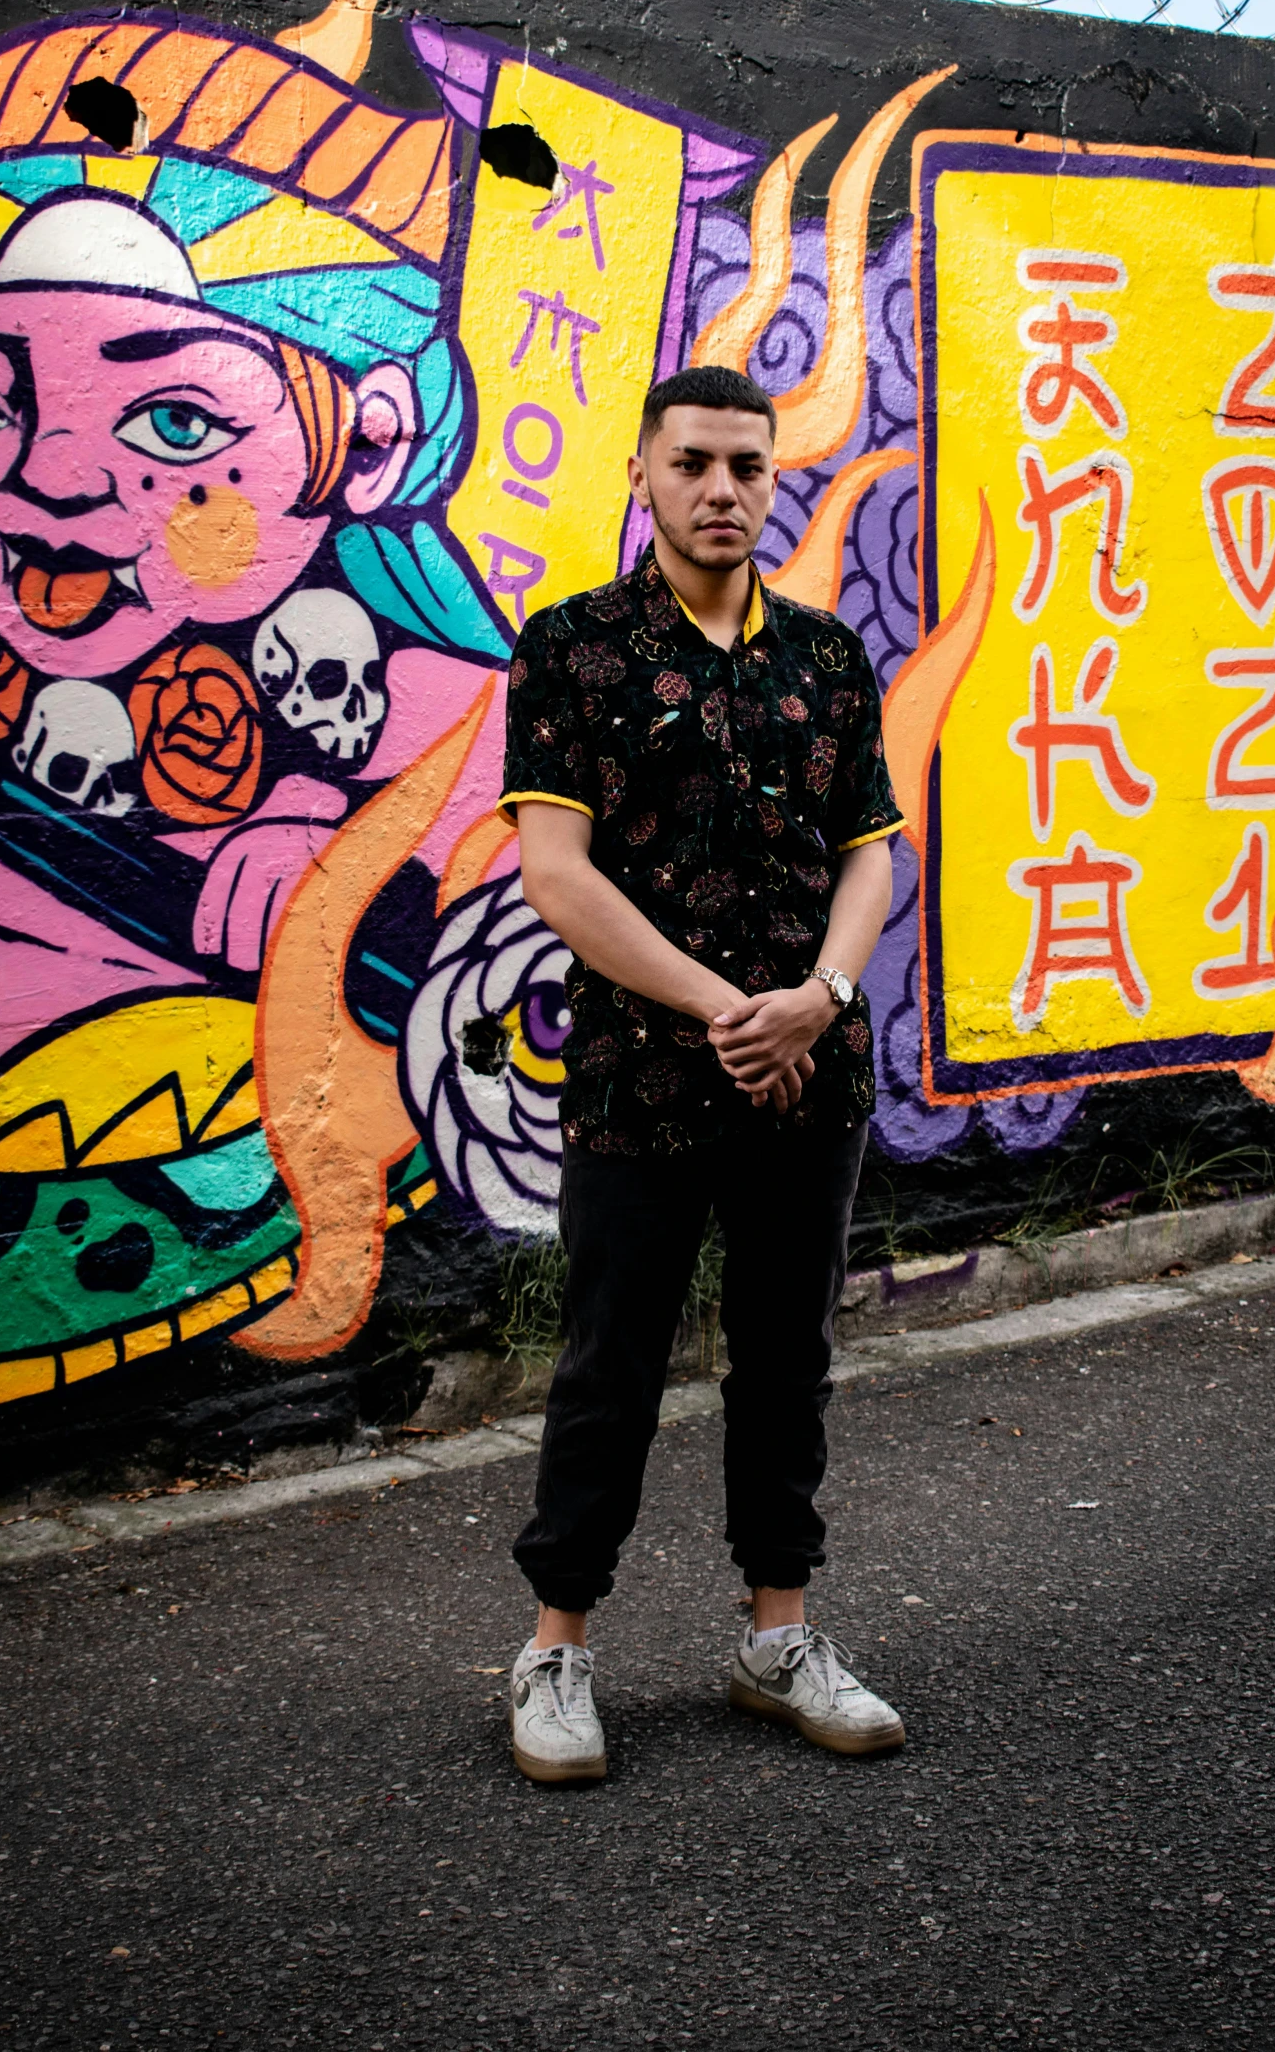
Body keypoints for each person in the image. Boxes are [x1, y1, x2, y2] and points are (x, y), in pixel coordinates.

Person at [497, 362, 906, 1784]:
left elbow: (871, 846)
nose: (722, 489)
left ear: (769, 474)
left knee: (785, 1359)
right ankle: (556, 1648)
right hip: (641, 1077)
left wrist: (820, 997)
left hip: (810, 1072)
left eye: (745, 464)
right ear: (642, 474)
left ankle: (775, 1635)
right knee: (610, 1363)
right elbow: (558, 872)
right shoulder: (573, 649)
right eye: (693, 464)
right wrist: (730, 1005)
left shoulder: (825, 656)